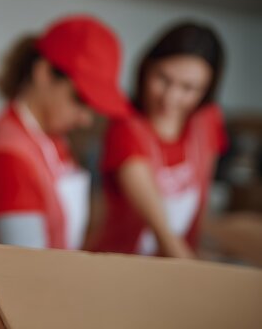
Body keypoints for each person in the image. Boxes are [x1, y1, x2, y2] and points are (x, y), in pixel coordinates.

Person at [0, 15, 130, 250]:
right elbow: (26, 269)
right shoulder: (10, 158)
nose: (86, 119)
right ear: (45, 73)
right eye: (79, 100)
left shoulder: (50, 137)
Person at [92, 22, 227, 258]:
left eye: (188, 88)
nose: (170, 97)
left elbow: (201, 208)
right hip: (122, 266)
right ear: (146, 68)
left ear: (207, 90)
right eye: (163, 79)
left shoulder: (208, 120)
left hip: (178, 263)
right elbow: (163, 233)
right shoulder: (125, 128)